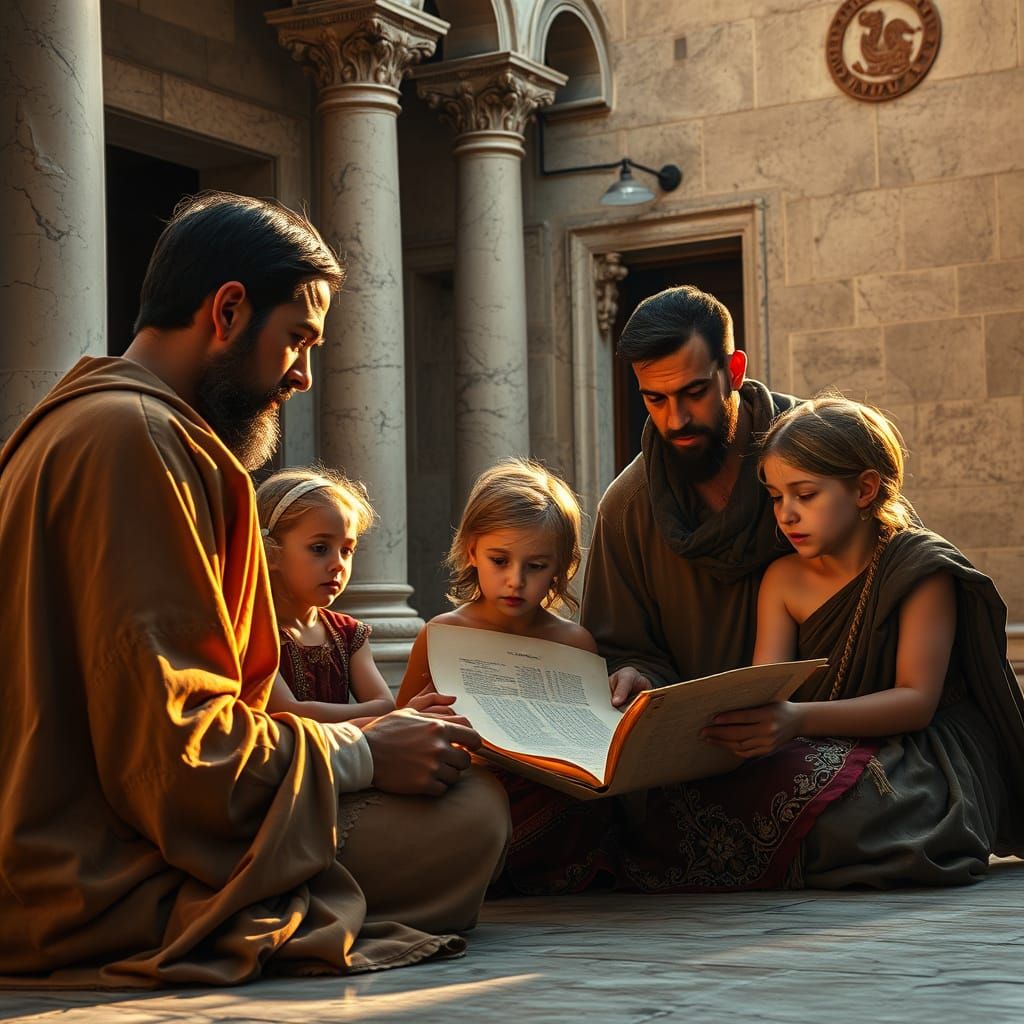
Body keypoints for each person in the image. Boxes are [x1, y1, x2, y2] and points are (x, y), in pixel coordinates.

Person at [0, 192, 510, 988]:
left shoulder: (99, 423)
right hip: (92, 878)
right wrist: (365, 750)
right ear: (229, 311)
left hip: (89, 840)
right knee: (469, 818)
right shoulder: (134, 440)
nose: (304, 375)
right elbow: (181, 763)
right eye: (298, 340)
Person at [694, 396, 1024, 885]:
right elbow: (770, 687)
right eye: (776, 497)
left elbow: (915, 702)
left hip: (922, 749)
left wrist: (797, 719)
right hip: (817, 740)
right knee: (721, 798)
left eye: (805, 495)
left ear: (865, 489)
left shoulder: (918, 567)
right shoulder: (783, 578)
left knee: (862, 817)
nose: (787, 514)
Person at [580, 285, 798, 709]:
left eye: (694, 393)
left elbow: (902, 560)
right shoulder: (626, 508)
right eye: (655, 399)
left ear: (734, 371)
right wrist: (632, 675)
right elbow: (617, 651)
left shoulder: (822, 452)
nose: (675, 420)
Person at [397, 458, 596, 708]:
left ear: (560, 566)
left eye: (535, 566)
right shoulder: (442, 634)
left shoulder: (576, 643)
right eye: (500, 561)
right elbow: (401, 725)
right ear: (472, 552)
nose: (516, 581)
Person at [256, 467, 395, 723]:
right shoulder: (253, 631)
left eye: (346, 550)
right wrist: (375, 718)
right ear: (270, 550)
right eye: (320, 548)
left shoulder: (348, 633)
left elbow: (386, 705)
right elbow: (287, 713)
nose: (339, 564)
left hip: (345, 761)